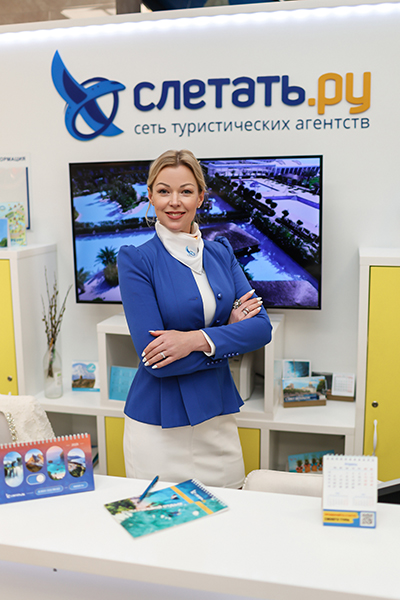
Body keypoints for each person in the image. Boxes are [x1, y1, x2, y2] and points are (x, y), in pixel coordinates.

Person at [117, 149, 272, 488]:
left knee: (231, 516)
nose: (174, 201)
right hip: (158, 429)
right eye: (164, 191)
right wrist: (227, 336)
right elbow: (157, 361)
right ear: (150, 196)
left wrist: (193, 340)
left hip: (217, 422)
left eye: (186, 191)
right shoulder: (137, 260)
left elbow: (262, 328)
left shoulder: (222, 253)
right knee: (162, 521)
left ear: (201, 197)